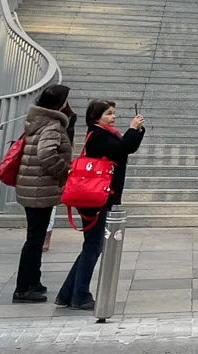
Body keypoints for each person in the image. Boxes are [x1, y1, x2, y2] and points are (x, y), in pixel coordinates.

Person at [57, 100, 145, 309]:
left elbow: (126, 148)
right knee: (93, 247)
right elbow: (123, 148)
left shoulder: (104, 134)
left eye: (113, 113)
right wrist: (132, 129)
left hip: (99, 197)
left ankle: (68, 293)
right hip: (95, 198)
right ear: (96, 117)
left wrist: (137, 131)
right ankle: (80, 295)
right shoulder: (98, 136)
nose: (113, 117)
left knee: (92, 246)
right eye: (109, 114)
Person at [12, 83, 75, 302]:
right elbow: (47, 153)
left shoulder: (37, 120)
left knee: (35, 237)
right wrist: (63, 170)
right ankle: (23, 287)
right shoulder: (52, 125)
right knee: (34, 239)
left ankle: (33, 281)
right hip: (40, 188)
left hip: (33, 186)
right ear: (60, 102)